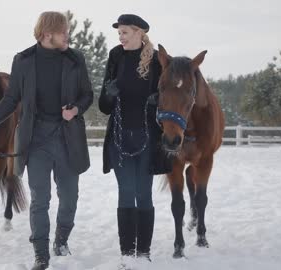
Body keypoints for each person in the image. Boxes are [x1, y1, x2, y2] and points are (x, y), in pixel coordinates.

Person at [0, 11, 93, 270]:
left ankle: (62, 238)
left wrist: (75, 110)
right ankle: (41, 253)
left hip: (68, 138)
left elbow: (87, 95)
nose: (68, 35)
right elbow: (11, 100)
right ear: (47, 34)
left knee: (69, 197)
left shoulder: (75, 59)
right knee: (39, 198)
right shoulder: (23, 61)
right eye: (63, 31)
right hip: (36, 140)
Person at [99, 14, 172, 261]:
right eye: (119, 33)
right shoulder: (115, 56)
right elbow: (104, 107)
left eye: (125, 32)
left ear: (140, 32)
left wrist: (156, 102)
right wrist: (109, 94)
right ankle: (127, 254)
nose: (120, 37)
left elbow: (167, 97)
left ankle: (143, 254)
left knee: (144, 193)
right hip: (119, 138)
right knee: (126, 191)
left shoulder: (155, 60)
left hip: (147, 137)